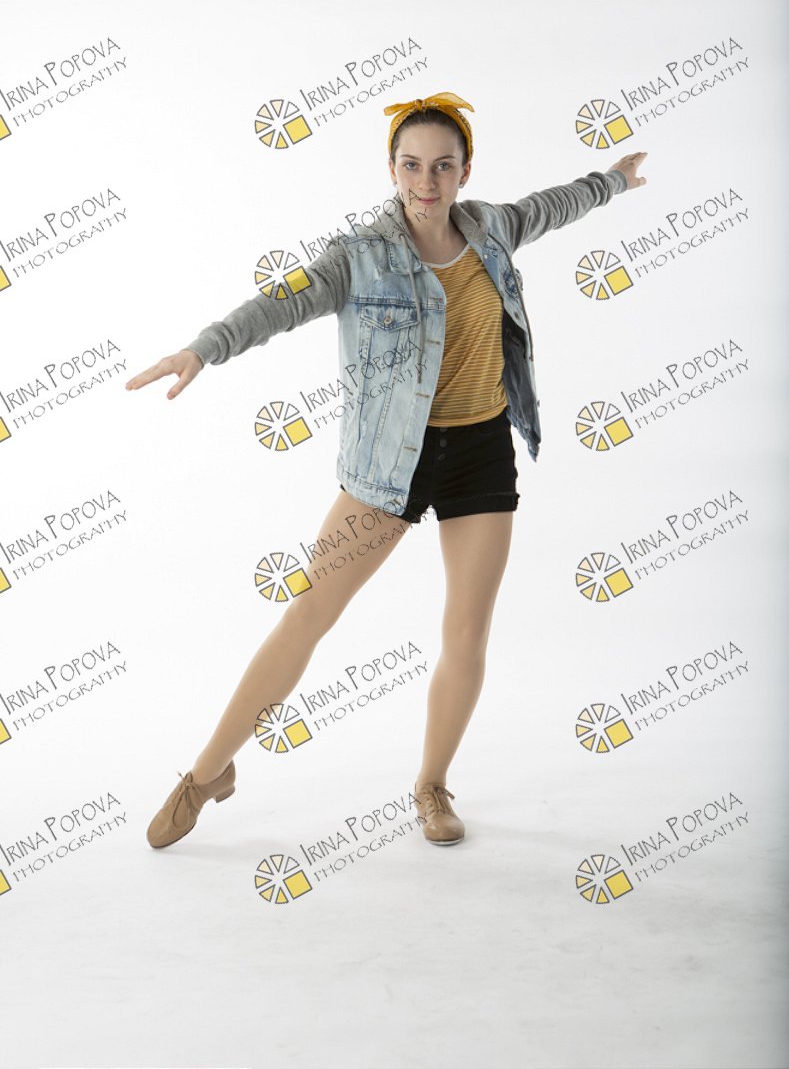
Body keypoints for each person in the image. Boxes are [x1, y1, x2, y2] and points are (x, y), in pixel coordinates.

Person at [127, 91, 647, 850]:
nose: (426, 182)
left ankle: (432, 785)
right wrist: (203, 348)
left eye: (442, 166)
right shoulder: (360, 256)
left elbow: (553, 205)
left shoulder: (492, 227)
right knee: (307, 616)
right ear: (392, 169)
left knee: (466, 632)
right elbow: (276, 305)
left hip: (481, 452)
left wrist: (614, 181)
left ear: (465, 171)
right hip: (388, 465)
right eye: (411, 165)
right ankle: (206, 776)